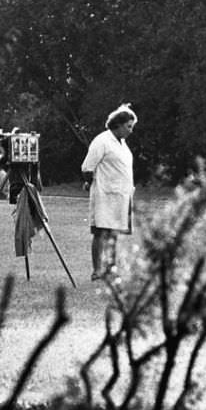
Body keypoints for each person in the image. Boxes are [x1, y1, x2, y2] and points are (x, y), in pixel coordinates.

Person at [81, 103, 137, 280]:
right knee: (100, 232)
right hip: (105, 194)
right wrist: (91, 183)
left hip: (121, 196)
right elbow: (87, 168)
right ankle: (97, 270)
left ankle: (111, 267)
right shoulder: (102, 141)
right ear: (118, 124)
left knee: (114, 233)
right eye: (129, 126)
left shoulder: (123, 144)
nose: (130, 130)